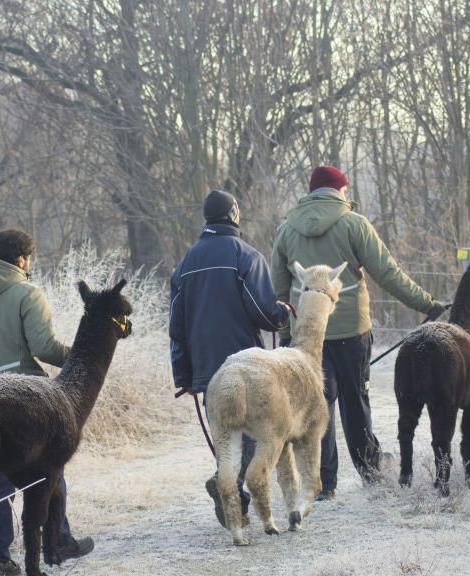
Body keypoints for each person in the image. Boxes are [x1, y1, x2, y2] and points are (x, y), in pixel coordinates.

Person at [270, 166, 445, 499]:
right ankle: (370, 471)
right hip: (350, 330)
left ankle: (322, 484)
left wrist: (285, 333)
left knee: (315, 406)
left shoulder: (286, 230)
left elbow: (278, 290)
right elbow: (387, 273)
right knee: (355, 400)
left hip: (306, 335)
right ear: (341, 190)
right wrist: (427, 304)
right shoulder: (354, 224)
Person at [0, 229, 94, 576]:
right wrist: (80, 359)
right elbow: (43, 346)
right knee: (49, 468)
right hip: (28, 398)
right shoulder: (28, 294)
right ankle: (58, 541)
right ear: (21, 259)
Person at [170, 189, 291, 526]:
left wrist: (184, 375)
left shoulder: (185, 265)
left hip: (208, 368)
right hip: (244, 366)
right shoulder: (246, 256)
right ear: (235, 214)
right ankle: (231, 488)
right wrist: (282, 313)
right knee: (253, 430)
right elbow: (264, 313)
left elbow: (175, 328)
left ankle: (229, 491)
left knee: (226, 433)